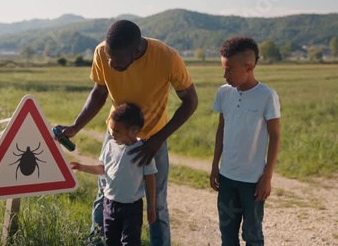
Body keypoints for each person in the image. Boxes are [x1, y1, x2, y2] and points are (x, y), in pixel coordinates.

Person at [56, 19, 198, 246]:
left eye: (118, 59)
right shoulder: (102, 52)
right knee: (105, 194)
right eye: (109, 57)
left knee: (157, 203)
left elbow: (190, 101)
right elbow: (99, 91)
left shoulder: (166, 57)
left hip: (153, 139)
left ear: (137, 51)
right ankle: (97, 243)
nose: (111, 63)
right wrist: (75, 126)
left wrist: (157, 140)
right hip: (116, 135)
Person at [209, 36, 281, 246]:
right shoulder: (224, 93)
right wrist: (215, 166)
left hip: (253, 181)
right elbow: (221, 129)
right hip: (227, 178)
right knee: (227, 233)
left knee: (252, 234)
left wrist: (267, 176)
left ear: (249, 67)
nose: (225, 75)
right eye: (224, 69)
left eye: (229, 70)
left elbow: (275, 136)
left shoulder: (267, 96)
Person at [70, 103, 157, 246]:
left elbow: (150, 178)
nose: (112, 134)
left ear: (133, 131)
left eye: (117, 131)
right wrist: (81, 166)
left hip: (132, 207)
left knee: (130, 243)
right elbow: (102, 169)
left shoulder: (143, 151)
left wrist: (151, 207)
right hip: (110, 205)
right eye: (111, 129)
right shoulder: (110, 145)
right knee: (110, 242)